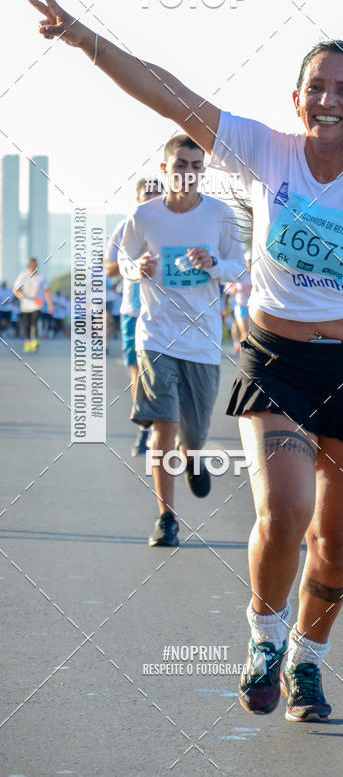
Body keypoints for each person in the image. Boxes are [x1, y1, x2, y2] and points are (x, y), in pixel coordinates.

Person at [25, 0, 343, 720]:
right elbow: (167, 93)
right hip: (277, 362)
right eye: (316, 87)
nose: (329, 99)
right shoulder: (266, 152)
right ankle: (265, 634)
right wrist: (83, 38)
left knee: (332, 541)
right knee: (285, 512)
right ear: (297, 100)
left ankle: (308, 661)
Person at [117, 135, 245, 547]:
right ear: (164, 170)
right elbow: (123, 260)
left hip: (203, 341)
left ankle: (193, 457)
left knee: (195, 432)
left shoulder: (220, 215)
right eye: (180, 166)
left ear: (202, 172)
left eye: (195, 167)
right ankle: (166, 518)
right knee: (164, 425)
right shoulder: (144, 216)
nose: (187, 174)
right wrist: (138, 267)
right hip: (156, 335)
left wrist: (214, 265)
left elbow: (238, 269)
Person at [106, 176, 164, 456]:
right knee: (137, 372)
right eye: (147, 196)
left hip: (167, 312)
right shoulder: (124, 228)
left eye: (157, 195)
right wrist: (132, 263)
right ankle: (145, 426)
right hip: (133, 310)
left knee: (166, 373)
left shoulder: (176, 226)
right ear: (138, 200)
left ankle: (165, 426)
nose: (153, 201)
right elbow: (109, 268)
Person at [12, 258, 53, 352]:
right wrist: (19, 294)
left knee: (34, 323)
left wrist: (50, 305)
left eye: (35, 265)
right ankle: (27, 343)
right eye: (31, 265)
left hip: (37, 304)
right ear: (29, 265)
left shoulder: (41, 277)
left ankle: (34, 341)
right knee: (26, 324)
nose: (33, 267)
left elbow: (47, 292)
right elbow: (15, 288)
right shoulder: (23, 275)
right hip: (25, 304)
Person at [225, 251, 252, 351]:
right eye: (248, 261)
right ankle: (242, 349)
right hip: (240, 307)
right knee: (245, 332)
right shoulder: (238, 275)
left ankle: (244, 350)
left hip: (252, 308)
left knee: (250, 333)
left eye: (251, 261)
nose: (249, 263)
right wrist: (233, 289)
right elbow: (227, 289)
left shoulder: (255, 275)